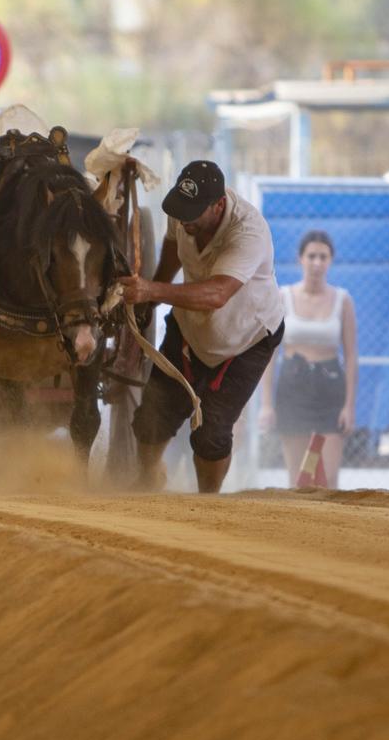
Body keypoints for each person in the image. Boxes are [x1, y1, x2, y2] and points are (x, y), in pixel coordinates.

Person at [120, 160, 286, 494]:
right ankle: (146, 481)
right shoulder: (181, 213)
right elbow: (171, 248)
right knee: (152, 416)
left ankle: (209, 502)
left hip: (246, 340)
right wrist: (149, 303)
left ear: (218, 205)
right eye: (180, 211)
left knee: (212, 432)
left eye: (192, 214)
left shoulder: (248, 231)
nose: (184, 220)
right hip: (190, 328)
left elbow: (218, 293)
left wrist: (152, 291)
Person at [259, 230, 357, 489]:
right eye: (311, 256)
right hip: (294, 386)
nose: (317, 262)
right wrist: (266, 405)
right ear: (300, 259)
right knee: (299, 476)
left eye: (323, 257)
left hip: (329, 386)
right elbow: (270, 354)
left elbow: (351, 357)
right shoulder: (283, 296)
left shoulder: (343, 300)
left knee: (329, 477)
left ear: (331, 261)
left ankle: (330, 526)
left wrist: (349, 406)